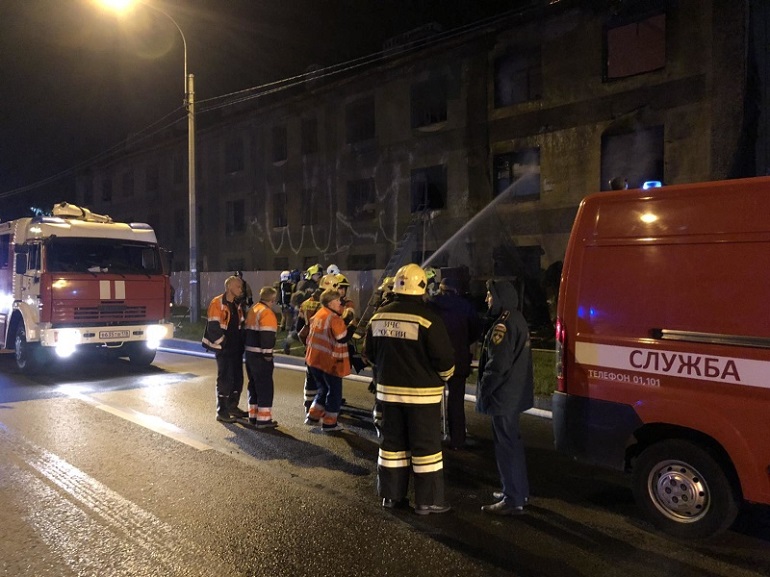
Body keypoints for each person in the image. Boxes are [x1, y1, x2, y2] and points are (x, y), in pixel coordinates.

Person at [364, 263, 455, 515]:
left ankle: (391, 497)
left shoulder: (378, 316)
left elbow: (369, 354)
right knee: (426, 449)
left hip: (387, 395)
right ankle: (427, 502)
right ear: (422, 288)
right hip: (422, 398)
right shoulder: (428, 320)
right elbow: (445, 361)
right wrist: (444, 377)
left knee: (392, 446)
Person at [476, 279, 534, 516]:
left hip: (503, 396)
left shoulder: (503, 325)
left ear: (499, 297)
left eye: (489, 295)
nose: (487, 299)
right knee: (513, 444)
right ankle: (517, 491)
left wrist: (485, 388)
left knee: (506, 446)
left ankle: (512, 499)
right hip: (514, 394)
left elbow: (497, 365)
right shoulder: (517, 318)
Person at [430, 276, 482, 450]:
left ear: (441, 289)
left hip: (434, 359)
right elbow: (476, 330)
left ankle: (431, 438)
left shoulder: (432, 305)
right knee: (456, 401)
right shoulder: (465, 306)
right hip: (458, 359)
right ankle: (457, 440)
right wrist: (463, 342)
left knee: (431, 400)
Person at [304, 289, 358, 431]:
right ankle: (329, 423)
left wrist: (344, 320)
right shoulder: (333, 318)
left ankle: (313, 416)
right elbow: (342, 337)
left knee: (323, 389)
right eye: (338, 300)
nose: (340, 303)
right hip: (330, 363)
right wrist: (352, 326)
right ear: (331, 302)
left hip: (314, 361)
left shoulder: (320, 314)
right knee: (334, 392)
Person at [202, 275, 247, 423]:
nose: (241, 289)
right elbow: (214, 327)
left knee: (237, 378)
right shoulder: (217, 303)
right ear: (229, 287)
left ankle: (232, 406)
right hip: (224, 348)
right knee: (225, 379)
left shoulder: (237, 304)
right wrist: (224, 343)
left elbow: (240, 325)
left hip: (236, 348)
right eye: (238, 286)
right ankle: (222, 411)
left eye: (241, 287)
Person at [244, 286, 280, 428]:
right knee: (265, 386)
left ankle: (253, 416)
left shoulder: (254, 309)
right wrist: (268, 355)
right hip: (260, 355)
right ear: (272, 299)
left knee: (253, 384)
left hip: (250, 354)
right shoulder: (267, 313)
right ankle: (264, 420)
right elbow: (267, 337)